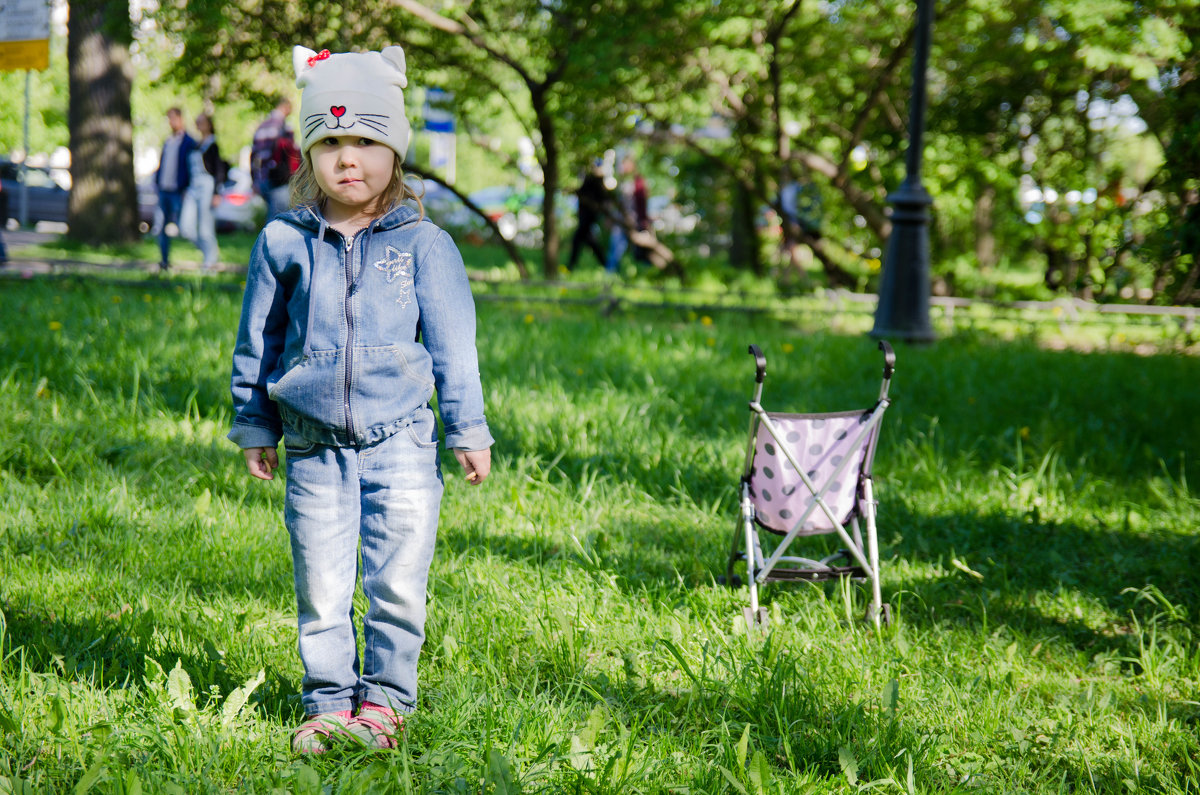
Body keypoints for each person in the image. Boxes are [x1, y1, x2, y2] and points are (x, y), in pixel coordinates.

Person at [228, 44, 494, 755]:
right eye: (332, 141)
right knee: (321, 582)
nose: (350, 158)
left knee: (397, 581)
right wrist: (254, 421)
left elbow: (454, 347)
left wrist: (468, 428)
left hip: (402, 443)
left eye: (368, 140)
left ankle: (384, 702)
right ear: (309, 153)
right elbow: (259, 338)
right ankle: (327, 701)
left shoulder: (426, 244)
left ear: (396, 150)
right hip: (313, 446)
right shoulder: (283, 241)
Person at [155, 107, 197, 271]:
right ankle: (164, 260)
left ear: (180, 119)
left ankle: (201, 254)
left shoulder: (188, 142)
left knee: (183, 225)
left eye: (173, 118)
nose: (171, 122)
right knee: (162, 226)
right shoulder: (168, 141)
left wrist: (186, 186)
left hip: (179, 191)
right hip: (164, 188)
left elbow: (190, 167)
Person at [184, 112, 225, 270]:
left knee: (205, 227)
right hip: (193, 186)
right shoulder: (195, 144)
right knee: (186, 227)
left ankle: (210, 261)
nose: (198, 125)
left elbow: (219, 170)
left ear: (208, 124)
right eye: (197, 122)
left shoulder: (213, 145)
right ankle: (209, 252)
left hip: (207, 185)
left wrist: (216, 192)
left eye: (201, 122)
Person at [251, 97, 298, 220]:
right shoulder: (285, 127)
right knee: (279, 219)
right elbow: (292, 154)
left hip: (263, 178)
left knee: (271, 215)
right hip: (280, 178)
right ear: (286, 108)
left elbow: (254, 156)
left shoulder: (261, 126)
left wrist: (254, 179)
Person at [604, 155, 651, 273]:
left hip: (634, 220)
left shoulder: (638, 182)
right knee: (615, 248)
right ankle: (610, 273)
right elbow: (615, 202)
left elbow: (642, 204)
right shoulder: (620, 181)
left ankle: (645, 272)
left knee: (640, 249)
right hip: (620, 221)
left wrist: (643, 221)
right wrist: (610, 218)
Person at [567, 159, 610, 270]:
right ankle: (606, 265)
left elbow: (601, 200)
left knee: (579, 240)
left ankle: (571, 266)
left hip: (588, 216)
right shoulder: (589, 179)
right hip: (585, 216)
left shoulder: (597, 181)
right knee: (589, 241)